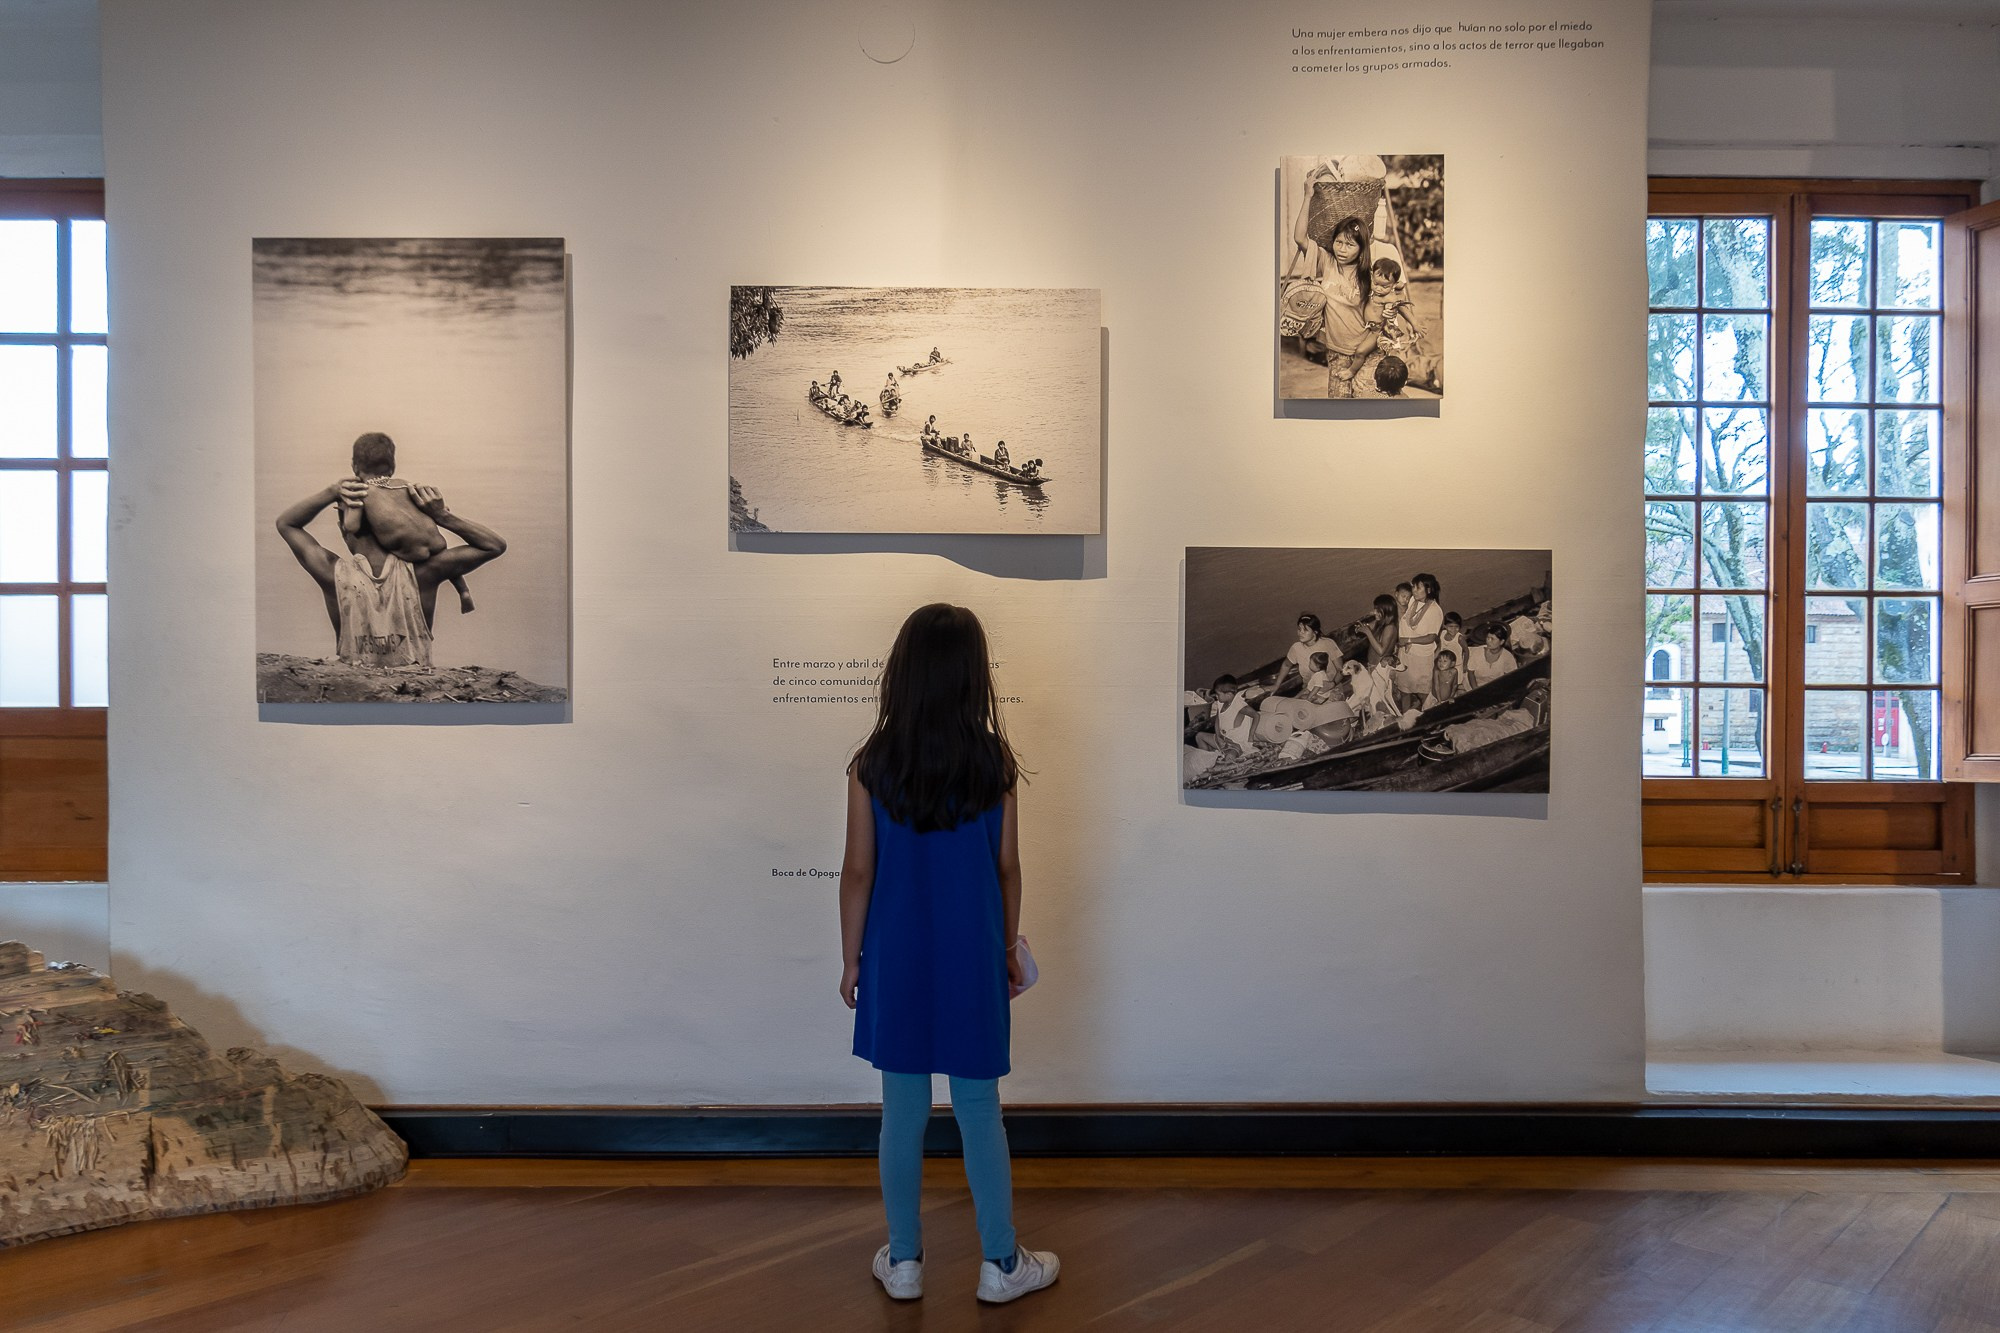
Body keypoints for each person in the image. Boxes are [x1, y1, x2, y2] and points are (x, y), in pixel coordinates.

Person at [838, 604, 1060, 1305]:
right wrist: (1004, 947)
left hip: (896, 955)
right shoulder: (992, 760)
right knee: (978, 1109)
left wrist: (852, 960)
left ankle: (904, 1262)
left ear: (901, 671)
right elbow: (1009, 869)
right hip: (971, 956)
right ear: (971, 676)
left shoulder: (872, 763)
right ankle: (1001, 1262)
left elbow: (858, 872)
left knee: (900, 1113)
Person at [273, 478, 507, 669]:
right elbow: (494, 545)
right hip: (412, 701)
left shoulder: (332, 572)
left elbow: (287, 524)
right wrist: (442, 516)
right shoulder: (423, 573)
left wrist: (333, 491)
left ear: (344, 528)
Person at [338, 432, 474, 614]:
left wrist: (347, 506)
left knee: (413, 570)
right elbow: (436, 509)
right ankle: (463, 591)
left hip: (411, 553)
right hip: (437, 543)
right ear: (392, 467)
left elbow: (352, 526)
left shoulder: (361, 491)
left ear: (355, 467)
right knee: (444, 559)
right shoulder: (405, 485)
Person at [1394, 574, 1444, 709]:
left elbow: (1431, 637)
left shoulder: (1435, 610)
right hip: (1405, 654)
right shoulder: (1412, 601)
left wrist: (1408, 640)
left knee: (1423, 693)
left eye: (1418, 587)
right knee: (1405, 690)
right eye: (1413, 586)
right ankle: (1406, 721)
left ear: (1428, 590)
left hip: (1421, 658)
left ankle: (1430, 715)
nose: (1414, 590)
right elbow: (1402, 616)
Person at [1273, 614, 1343, 696]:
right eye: (1299, 629)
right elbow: (1286, 665)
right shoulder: (1296, 648)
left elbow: (1341, 670)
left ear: (1315, 632)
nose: (1300, 633)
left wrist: (1333, 683)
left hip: (1332, 689)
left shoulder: (1328, 644)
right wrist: (1276, 685)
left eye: (1305, 630)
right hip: (1308, 689)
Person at [1192, 674, 1263, 753]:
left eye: (1218, 694)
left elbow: (1256, 715)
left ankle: (1218, 753)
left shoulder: (1239, 705)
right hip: (1223, 740)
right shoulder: (1220, 702)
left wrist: (1251, 736)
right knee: (1199, 736)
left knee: (1230, 756)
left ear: (1229, 695)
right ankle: (1208, 756)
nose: (1216, 696)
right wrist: (1218, 736)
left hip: (1236, 744)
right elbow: (1218, 720)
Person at [1359, 594, 1399, 667]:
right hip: (1373, 666)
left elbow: (1381, 651)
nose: (1374, 612)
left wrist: (1368, 633)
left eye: (1377, 610)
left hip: (1379, 668)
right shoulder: (1381, 622)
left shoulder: (1390, 628)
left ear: (1387, 610)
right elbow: (1366, 626)